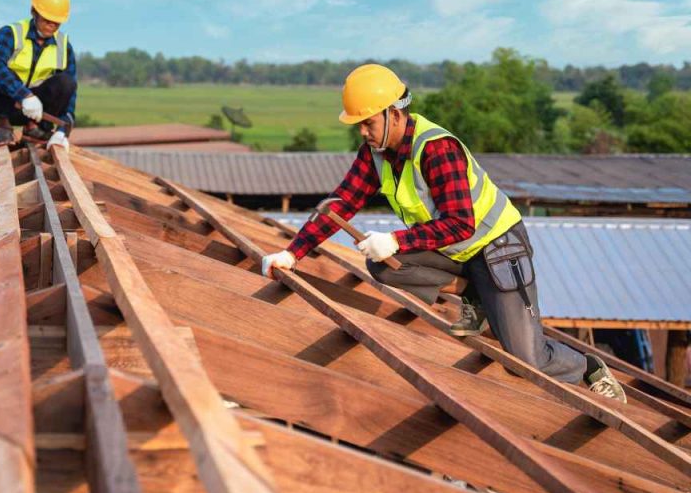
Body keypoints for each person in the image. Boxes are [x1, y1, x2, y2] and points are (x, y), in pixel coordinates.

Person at [260, 64, 627, 402]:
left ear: (394, 114)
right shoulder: (376, 152)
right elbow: (341, 203)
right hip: (457, 252)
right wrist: (292, 253)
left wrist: (397, 239)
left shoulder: (436, 149)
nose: (362, 131)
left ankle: (589, 366)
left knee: (524, 358)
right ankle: (477, 298)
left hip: (498, 248)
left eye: (368, 122)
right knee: (384, 265)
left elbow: (461, 224)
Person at [0, 0, 77, 149]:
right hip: (3, 105)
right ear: (34, 12)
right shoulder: (12, 33)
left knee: (66, 82)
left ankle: (35, 130)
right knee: (0, 76)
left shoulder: (64, 45)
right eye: (47, 19)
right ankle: (4, 126)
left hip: (38, 113)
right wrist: (24, 96)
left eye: (57, 22)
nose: (51, 25)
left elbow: (70, 92)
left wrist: (62, 130)